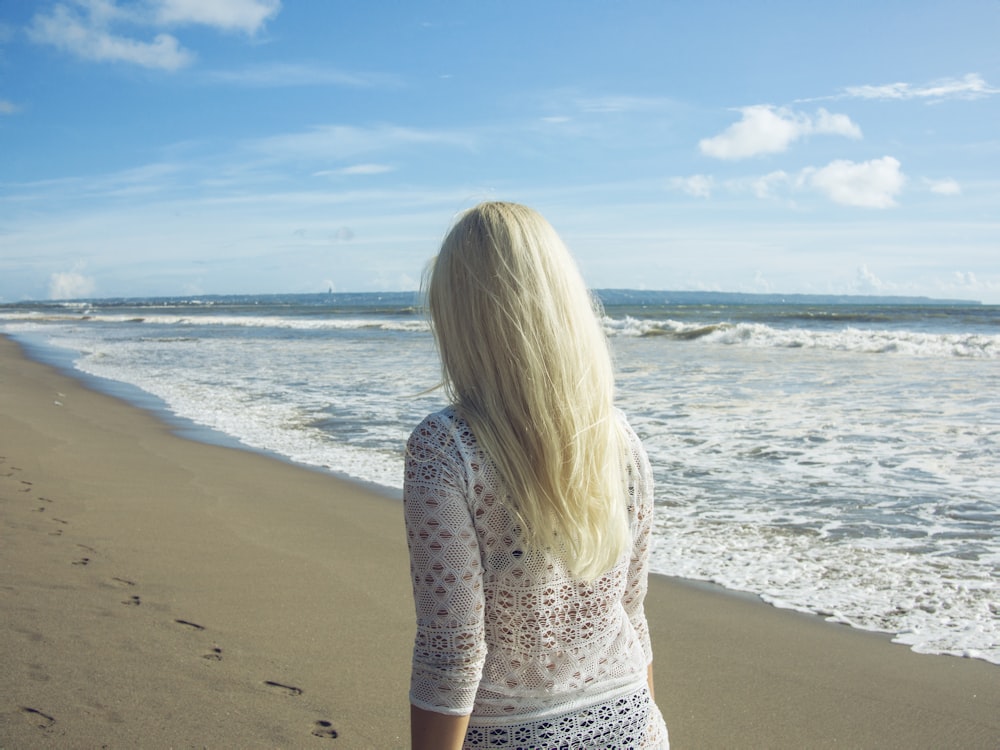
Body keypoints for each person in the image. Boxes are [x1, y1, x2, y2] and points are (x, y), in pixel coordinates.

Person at [403, 201, 669, 749]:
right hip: (633, 724)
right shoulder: (619, 439)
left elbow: (452, 653)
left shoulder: (445, 447)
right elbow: (631, 615)